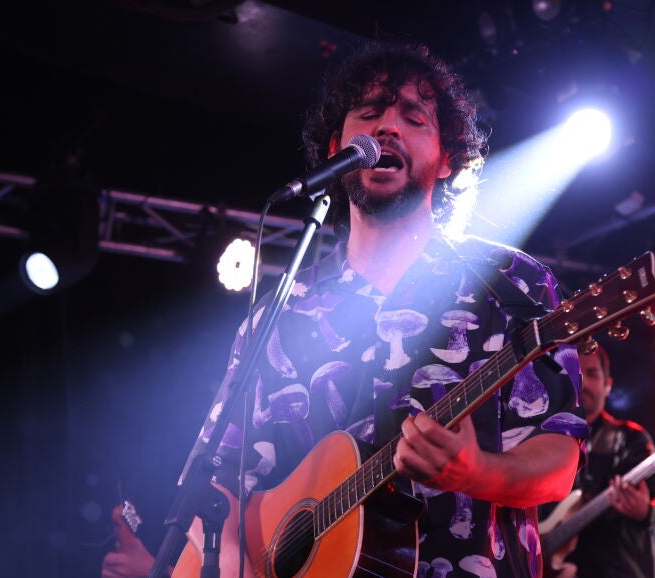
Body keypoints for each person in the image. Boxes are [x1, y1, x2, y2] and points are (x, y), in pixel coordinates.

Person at [103, 41, 588, 578]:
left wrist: (476, 473)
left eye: (414, 118)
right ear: (337, 147)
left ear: (448, 157)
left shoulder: (512, 284)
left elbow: (559, 459)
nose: (388, 128)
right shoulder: (278, 315)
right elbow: (213, 488)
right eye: (369, 113)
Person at [541, 347, 655, 578]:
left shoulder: (630, 439)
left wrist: (645, 511)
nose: (583, 382)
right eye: (575, 374)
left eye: (592, 374)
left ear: (608, 385)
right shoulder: (545, 443)